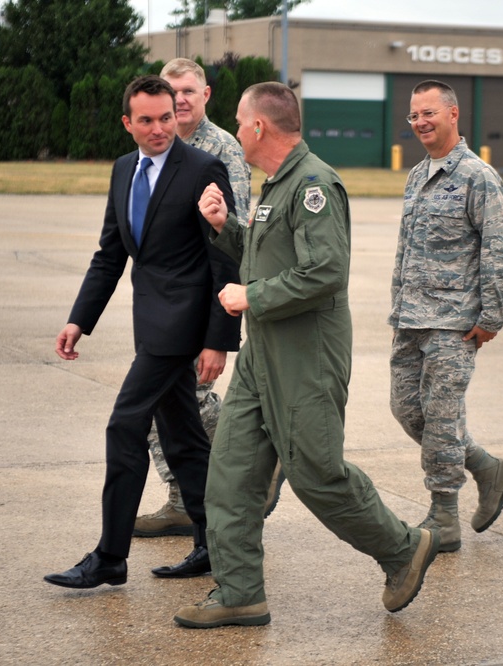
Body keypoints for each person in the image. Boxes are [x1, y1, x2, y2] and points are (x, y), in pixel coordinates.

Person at [173, 82, 440, 629]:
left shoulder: (315, 183)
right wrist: (227, 229)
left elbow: (325, 272)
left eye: (239, 119)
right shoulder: (277, 185)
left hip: (305, 358)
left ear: (258, 128)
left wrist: (251, 296)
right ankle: (240, 592)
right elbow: (270, 253)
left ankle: (402, 549)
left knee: (317, 475)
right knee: (230, 475)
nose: (234, 128)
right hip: (263, 355)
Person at [44, 75, 236, 589]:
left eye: (166, 117)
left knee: (124, 426)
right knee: (183, 438)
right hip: (149, 324)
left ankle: (109, 556)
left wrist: (219, 338)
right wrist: (78, 320)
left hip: (184, 326)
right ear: (128, 123)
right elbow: (111, 254)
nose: (158, 128)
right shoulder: (124, 170)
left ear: (177, 115)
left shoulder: (203, 168)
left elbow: (226, 254)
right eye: (146, 120)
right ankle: (216, 544)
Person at [134, 58, 286, 547]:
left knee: (183, 397)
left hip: (203, 302)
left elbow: (232, 243)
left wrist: (218, 334)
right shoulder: (161, 146)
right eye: (169, 89)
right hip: (167, 304)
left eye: (186, 90)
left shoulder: (222, 151)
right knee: (170, 400)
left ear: (205, 95)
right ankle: (185, 501)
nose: (177, 99)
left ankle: (262, 462)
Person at [389, 80, 503, 554]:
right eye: (414, 116)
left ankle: (443, 515)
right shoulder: (418, 174)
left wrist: (492, 316)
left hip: (453, 323)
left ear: (453, 114)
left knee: (443, 419)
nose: (421, 122)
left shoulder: (476, 176)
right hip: (411, 320)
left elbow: (501, 250)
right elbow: (407, 251)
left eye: (429, 113)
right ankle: (488, 468)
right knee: (408, 411)